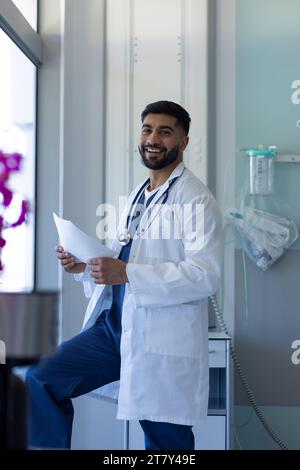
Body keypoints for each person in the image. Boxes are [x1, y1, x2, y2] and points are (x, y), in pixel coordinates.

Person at [26, 101, 223, 450]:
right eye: (147, 129)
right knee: (43, 377)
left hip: (159, 337)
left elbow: (204, 275)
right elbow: (123, 259)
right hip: (114, 330)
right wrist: (85, 266)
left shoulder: (195, 198)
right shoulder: (137, 195)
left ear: (184, 142)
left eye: (165, 131)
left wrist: (128, 273)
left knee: (166, 442)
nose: (153, 138)